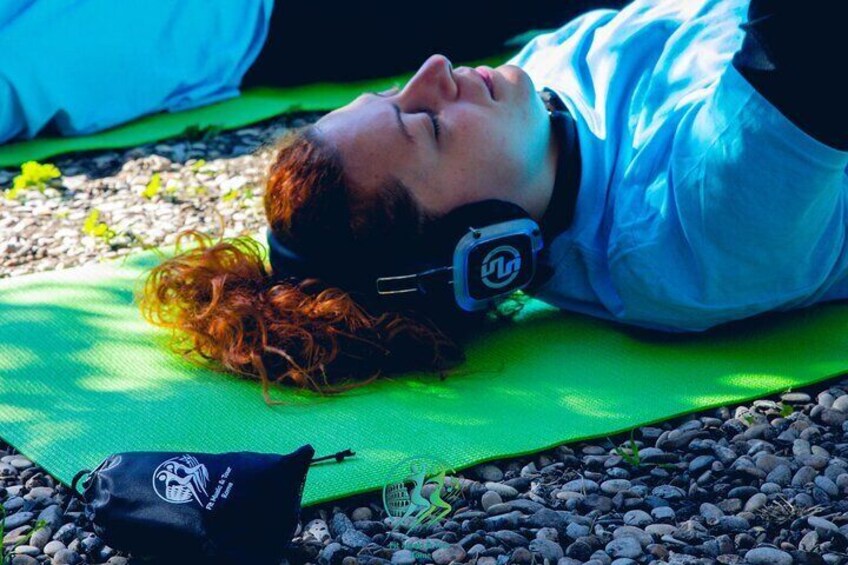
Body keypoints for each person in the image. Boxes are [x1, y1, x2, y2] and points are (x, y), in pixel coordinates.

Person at [140, 0, 848, 403]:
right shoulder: (695, 227)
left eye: (394, 94)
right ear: (486, 253)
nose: (432, 73)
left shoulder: (528, 103)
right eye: (426, 124)